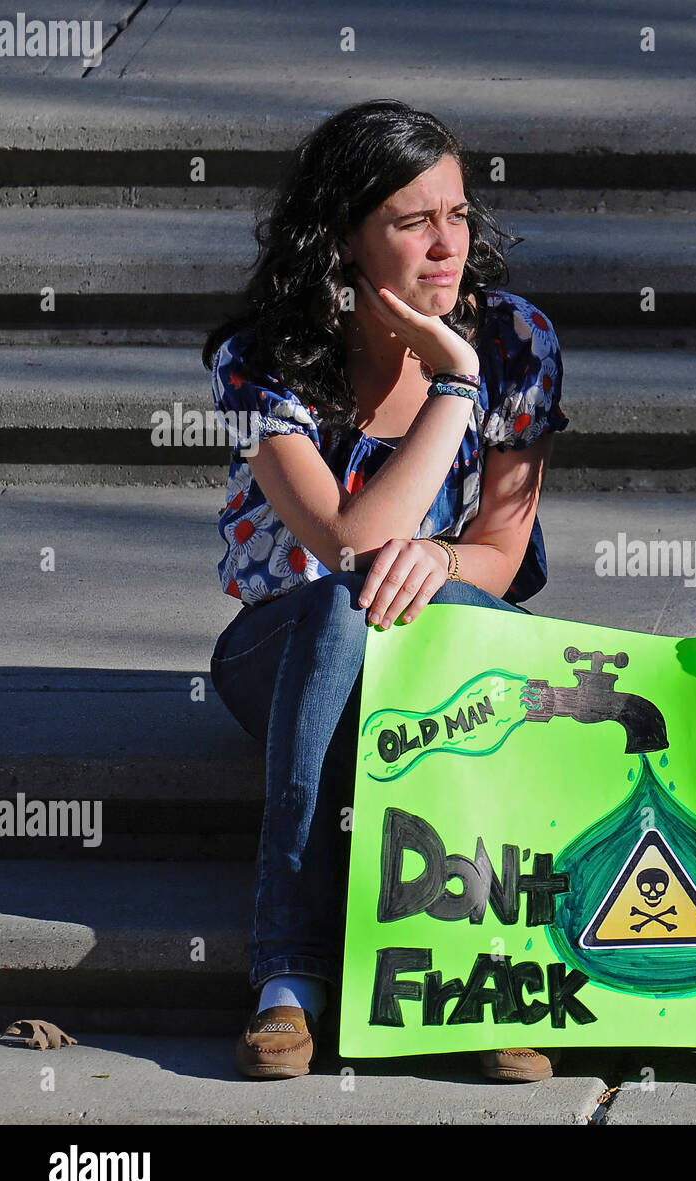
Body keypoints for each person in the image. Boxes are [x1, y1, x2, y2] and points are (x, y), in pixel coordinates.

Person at [202, 99, 568, 1083]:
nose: (447, 245)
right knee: (340, 603)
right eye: (412, 222)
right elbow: (344, 542)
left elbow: (497, 549)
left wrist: (440, 565)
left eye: (456, 214)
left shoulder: (517, 339)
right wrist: (452, 390)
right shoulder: (262, 358)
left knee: (411, 620)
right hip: (283, 647)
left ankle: (471, 974)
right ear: (344, 241)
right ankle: (293, 978)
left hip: (450, 638)